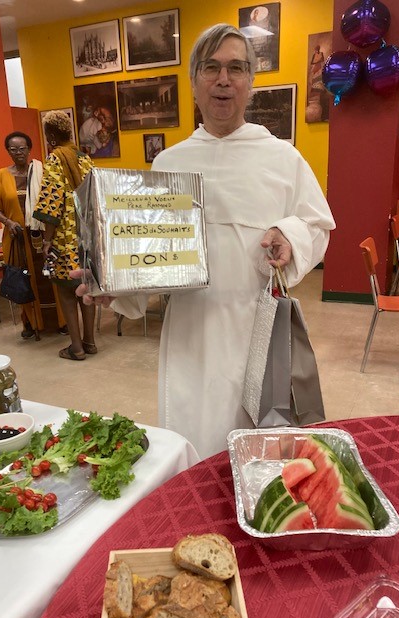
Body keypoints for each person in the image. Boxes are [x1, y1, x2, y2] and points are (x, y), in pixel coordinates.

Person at [73, 24, 336, 457]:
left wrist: (288, 235)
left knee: (261, 450)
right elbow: (149, 257)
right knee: (195, 444)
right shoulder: (170, 163)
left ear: (251, 82)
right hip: (190, 334)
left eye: (236, 67)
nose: (223, 79)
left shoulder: (282, 158)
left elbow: (317, 225)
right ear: (193, 81)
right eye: (211, 67)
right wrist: (113, 287)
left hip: (258, 327)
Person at [0, 131, 67, 338]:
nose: (18, 153)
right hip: (18, 239)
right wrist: (8, 222)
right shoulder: (2, 175)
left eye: (22, 148)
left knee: (52, 279)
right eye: (13, 149)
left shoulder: (42, 172)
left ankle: (61, 321)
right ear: (8, 151)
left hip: (44, 237)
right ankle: (30, 323)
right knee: (24, 279)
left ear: (29, 149)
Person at [33, 111, 96, 360]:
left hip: (64, 239)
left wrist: (47, 240)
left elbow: (51, 204)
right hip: (88, 237)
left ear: (50, 135)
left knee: (67, 294)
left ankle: (76, 348)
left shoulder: (55, 160)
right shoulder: (85, 159)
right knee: (86, 288)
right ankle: (90, 342)